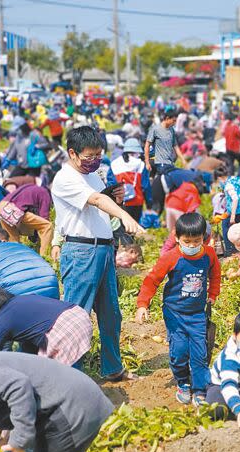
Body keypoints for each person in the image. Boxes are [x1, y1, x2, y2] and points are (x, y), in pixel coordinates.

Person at [52, 126, 144, 382]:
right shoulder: (65, 178)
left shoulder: (94, 176)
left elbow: (102, 203)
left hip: (103, 250)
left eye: (98, 155)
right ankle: (71, 376)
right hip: (81, 250)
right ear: (73, 153)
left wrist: (118, 200)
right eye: (89, 156)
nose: (95, 161)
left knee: (111, 315)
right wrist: (124, 214)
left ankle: (113, 368)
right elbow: (96, 201)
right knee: (77, 317)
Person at [137, 213, 220, 405]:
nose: (191, 246)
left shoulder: (209, 254)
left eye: (196, 241)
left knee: (200, 353)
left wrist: (213, 294)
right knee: (179, 351)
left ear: (203, 238)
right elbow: (152, 280)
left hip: (197, 313)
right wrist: (143, 304)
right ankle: (183, 382)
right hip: (174, 313)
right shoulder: (170, 257)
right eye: (187, 241)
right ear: (177, 239)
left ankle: (199, 389)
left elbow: (215, 273)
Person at [0, 285, 92, 365]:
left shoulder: (1, 321)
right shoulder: (20, 301)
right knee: (44, 369)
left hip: (64, 328)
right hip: (78, 315)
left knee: (50, 376)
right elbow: (30, 347)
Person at [0, 184, 54, 256]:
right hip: (12, 209)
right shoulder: (45, 193)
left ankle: (15, 258)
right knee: (47, 226)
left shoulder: (32, 186)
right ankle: (44, 257)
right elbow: (44, 218)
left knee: (14, 239)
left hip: (1, 206)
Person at [107, 138, 152, 222]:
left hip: (120, 202)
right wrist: (149, 204)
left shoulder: (114, 164)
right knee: (133, 228)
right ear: (137, 152)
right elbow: (146, 186)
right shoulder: (141, 165)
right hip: (137, 202)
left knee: (122, 227)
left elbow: (110, 184)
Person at [214, 167, 240, 255]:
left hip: (239, 213)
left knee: (226, 226)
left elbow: (235, 199)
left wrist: (233, 216)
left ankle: (230, 251)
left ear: (219, 178)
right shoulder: (235, 180)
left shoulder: (228, 185)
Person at [145, 109, 185, 175]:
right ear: (167, 118)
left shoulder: (171, 130)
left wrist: (183, 160)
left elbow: (176, 147)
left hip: (170, 162)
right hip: (160, 163)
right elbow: (147, 146)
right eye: (173, 121)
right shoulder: (155, 129)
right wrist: (147, 163)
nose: (175, 123)